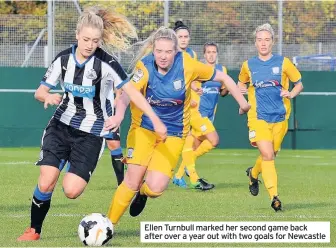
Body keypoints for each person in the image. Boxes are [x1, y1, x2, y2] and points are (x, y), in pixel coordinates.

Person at [17, 7, 166, 241]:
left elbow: (132, 94)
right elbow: (40, 91)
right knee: (46, 181)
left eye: (95, 41)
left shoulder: (107, 64)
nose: (89, 44)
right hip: (60, 126)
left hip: (91, 134)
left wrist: (154, 120)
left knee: (71, 191)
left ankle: (69, 167)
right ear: (77, 36)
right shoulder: (63, 59)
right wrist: (47, 97)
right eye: (86, 39)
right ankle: (34, 230)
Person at [106, 26, 250, 225]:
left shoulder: (188, 65)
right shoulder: (144, 66)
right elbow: (126, 95)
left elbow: (224, 77)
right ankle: (107, 225)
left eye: (168, 52)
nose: (163, 56)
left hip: (174, 132)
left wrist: (243, 104)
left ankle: (144, 192)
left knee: (156, 188)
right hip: (143, 129)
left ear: (176, 51)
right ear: (153, 50)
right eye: (159, 51)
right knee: (131, 180)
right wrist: (119, 116)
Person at [238, 23, 303, 211]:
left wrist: (291, 94)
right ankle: (274, 196)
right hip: (258, 117)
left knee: (271, 154)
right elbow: (240, 83)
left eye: (267, 40)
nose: (263, 43)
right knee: (267, 155)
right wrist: (240, 91)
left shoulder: (283, 62)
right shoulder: (248, 65)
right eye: (260, 40)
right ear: (255, 43)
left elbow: (299, 83)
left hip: (280, 117)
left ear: (272, 42)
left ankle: (253, 174)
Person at [173, 42, 229, 190]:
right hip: (197, 113)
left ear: (217, 54)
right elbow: (185, 81)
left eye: (214, 52)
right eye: (208, 52)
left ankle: (179, 176)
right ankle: (191, 174)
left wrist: (228, 89)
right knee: (214, 141)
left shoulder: (221, 70)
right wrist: (192, 92)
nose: (211, 54)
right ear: (204, 55)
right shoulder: (198, 69)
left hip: (209, 115)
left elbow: (223, 91)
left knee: (194, 145)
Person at [104, 89, 125, 186]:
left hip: (106, 109)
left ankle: (121, 183)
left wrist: (117, 96)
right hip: (83, 109)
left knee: (114, 144)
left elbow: (117, 79)